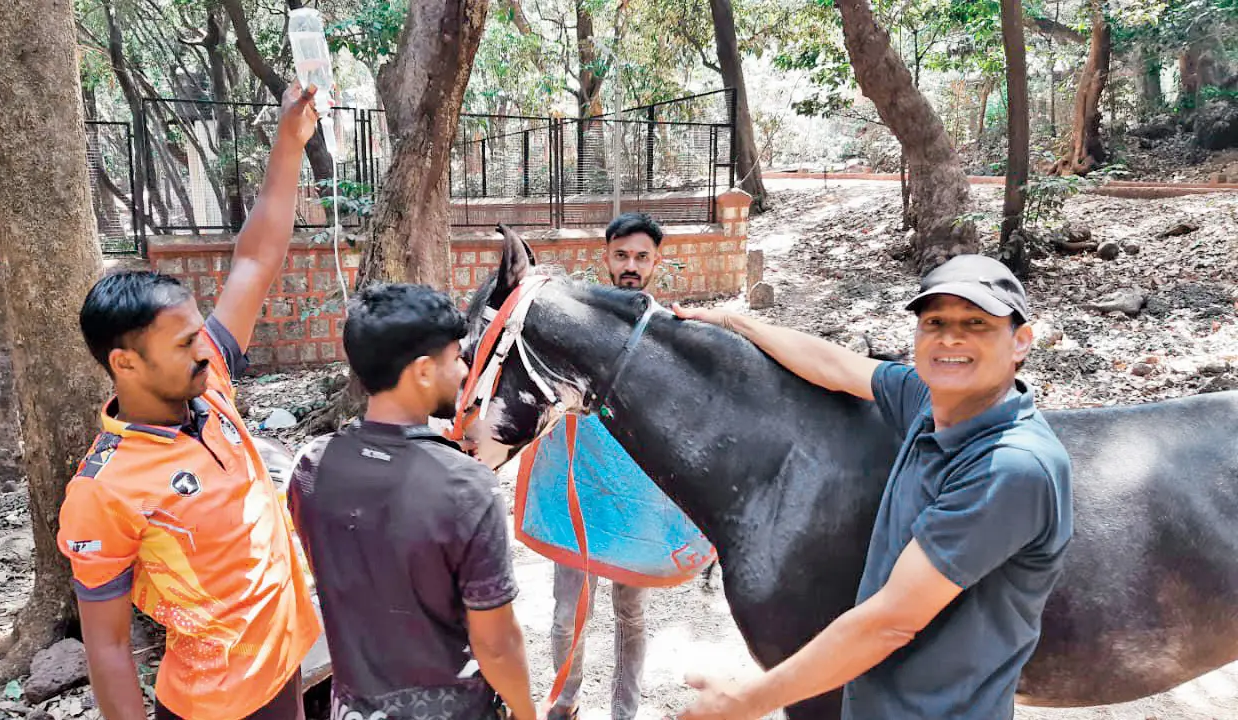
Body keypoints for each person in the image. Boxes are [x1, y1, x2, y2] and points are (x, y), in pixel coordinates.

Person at [674, 253, 1074, 720]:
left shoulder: (1010, 468)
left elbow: (889, 622)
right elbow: (836, 365)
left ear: (1020, 341)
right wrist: (735, 322)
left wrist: (747, 701)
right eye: (935, 321)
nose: (950, 337)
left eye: (977, 323)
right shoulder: (928, 398)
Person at [57, 81, 322, 720]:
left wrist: (288, 143)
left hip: (288, 665)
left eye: (201, 332)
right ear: (125, 363)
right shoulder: (104, 491)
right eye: (184, 343)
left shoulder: (209, 387)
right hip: (219, 707)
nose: (205, 349)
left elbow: (256, 259)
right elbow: (109, 646)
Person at [286, 283, 535, 720]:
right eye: (457, 357)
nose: (463, 373)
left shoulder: (311, 466)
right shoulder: (466, 487)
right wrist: (527, 712)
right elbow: (495, 644)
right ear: (423, 371)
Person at [544, 212, 708, 720]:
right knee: (568, 614)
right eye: (622, 256)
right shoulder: (578, 323)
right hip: (578, 489)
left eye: (641, 257)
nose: (630, 267)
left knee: (631, 613)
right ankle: (563, 702)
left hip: (635, 494)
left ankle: (624, 712)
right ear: (606, 257)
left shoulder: (669, 331)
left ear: (657, 261)